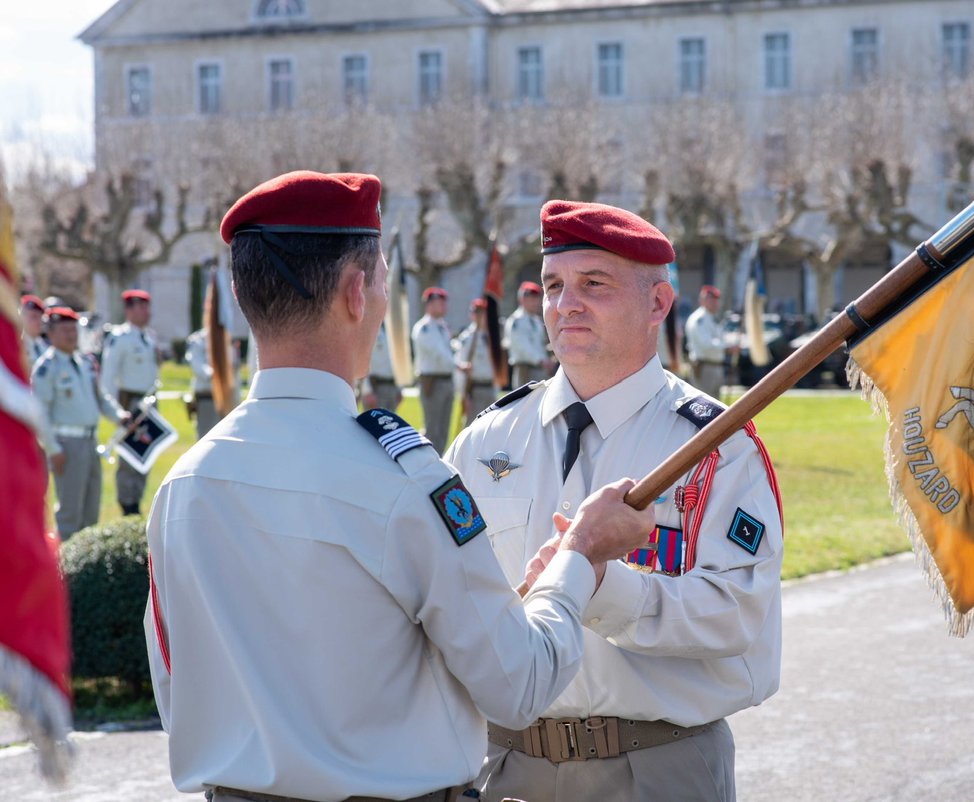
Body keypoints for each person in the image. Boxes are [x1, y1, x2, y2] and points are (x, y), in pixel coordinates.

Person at [143, 170, 657, 802]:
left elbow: (176, 690)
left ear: (241, 294)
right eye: (385, 280)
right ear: (358, 292)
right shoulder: (404, 482)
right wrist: (579, 559)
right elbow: (518, 684)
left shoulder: (184, 486)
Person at [445, 200, 784, 802]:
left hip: (656, 765)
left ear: (657, 303)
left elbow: (739, 612)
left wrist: (601, 587)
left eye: (593, 284)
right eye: (554, 285)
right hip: (504, 766)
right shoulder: (485, 440)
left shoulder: (713, 447)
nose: (565, 303)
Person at [31, 306, 127, 538]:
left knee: (91, 510)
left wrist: (119, 416)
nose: (71, 335)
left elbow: (100, 398)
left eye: (73, 329)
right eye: (64, 330)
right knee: (70, 514)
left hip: (90, 441)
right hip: (67, 444)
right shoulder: (46, 368)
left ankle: (85, 569)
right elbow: (39, 413)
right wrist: (53, 450)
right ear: (51, 334)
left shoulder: (85, 362)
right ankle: (66, 570)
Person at [100, 288, 159, 515]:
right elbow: (108, 376)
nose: (146, 311)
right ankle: (127, 502)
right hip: (129, 401)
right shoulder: (120, 338)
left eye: (147, 306)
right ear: (129, 310)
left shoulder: (148, 337)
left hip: (148, 402)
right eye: (141, 306)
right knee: (128, 456)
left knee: (145, 451)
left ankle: (138, 496)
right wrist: (115, 410)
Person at [412, 286, 455, 453]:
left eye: (445, 303)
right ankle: (427, 462)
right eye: (440, 303)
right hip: (432, 381)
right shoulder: (424, 328)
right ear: (429, 305)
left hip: (446, 379)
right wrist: (458, 364)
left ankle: (440, 461)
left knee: (444, 428)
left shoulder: (443, 326)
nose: (444, 307)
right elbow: (439, 353)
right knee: (432, 428)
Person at [685, 285, 734, 399]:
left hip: (716, 366)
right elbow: (706, 344)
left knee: (716, 406)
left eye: (716, 300)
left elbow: (721, 339)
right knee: (705, 404)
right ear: (703, 300)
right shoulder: (698, 319)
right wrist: (726, 348)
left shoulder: (713, 319)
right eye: (711, 299)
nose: (715, 303)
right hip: (704, 367)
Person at [504, 280, 554, 386]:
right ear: (522, 300)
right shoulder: (516, 321)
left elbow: (540, 345)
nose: (535, 303)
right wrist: (541, 360)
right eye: (531, 299)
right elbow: (522, 346)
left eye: (537, 299)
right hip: (525, 370)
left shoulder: (537, 321)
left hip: (540, 369)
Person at [453, 298, 497, 417]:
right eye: (477, 312)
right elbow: (461, 366)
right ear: (472, 315)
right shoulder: (467, 338)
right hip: (474, 389)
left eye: (483, 313)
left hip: (490, 387)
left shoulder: (491, 337)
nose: (481, 316)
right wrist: (463, 396)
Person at [360, 322, 400, 411]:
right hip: (375, 389)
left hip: (392, 386)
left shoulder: (390, 327)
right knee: (372, 424)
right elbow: (360, 360)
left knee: (391, 424)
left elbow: (395, 360)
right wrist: (367, 391)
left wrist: (399, 388)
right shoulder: (368, 329)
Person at [20, 294, 48, 368]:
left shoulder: (44, 346)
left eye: (41, 316)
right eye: (33, 316)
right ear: (21, 318)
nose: (39, 321)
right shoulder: (16, 345)